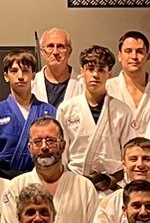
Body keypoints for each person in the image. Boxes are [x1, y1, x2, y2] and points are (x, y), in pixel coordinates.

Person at [0, 117, 97, 223]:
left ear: (63, 145)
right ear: (29, 148)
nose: (44, 147)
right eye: (38, 142)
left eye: (50, 140)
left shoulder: (85, 187)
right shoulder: (15, 187)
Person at [56, 44, 131, 188]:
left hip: (112, 184)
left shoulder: (122, 111)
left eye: (101, 70)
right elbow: (62, 154)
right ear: (82, 71)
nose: (95, 75)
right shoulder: (66, 109)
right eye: (90, 69)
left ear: (109, 73)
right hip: (76, 183)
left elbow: (128, 153)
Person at [0, 48, 54, 178]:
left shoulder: (49, 111)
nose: (20, 76)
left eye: (25, 71)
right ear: (6, 76)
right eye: (14, 71)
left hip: (40, 177)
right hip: (4, 179)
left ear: (33, 75)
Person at [106, 30, 150, 137]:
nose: (134, 56)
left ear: (147, 57)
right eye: (128, 51)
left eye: (140, 51)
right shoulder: (108, 88)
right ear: (120, 56)